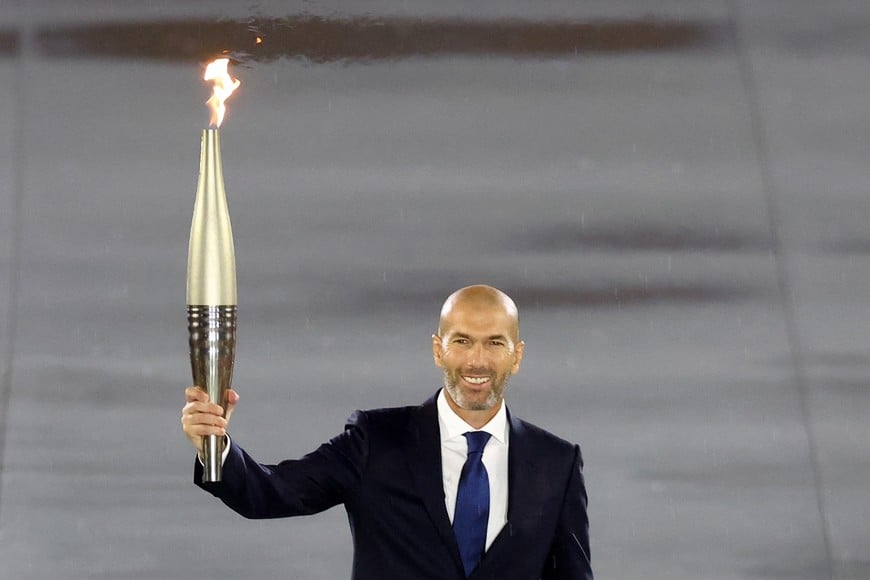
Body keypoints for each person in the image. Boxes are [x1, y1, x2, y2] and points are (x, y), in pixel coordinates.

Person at [182, 285, 592, 579]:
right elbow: (271, 493)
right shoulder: (374, 442)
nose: (477, 361)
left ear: (517, 355)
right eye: (462, 341)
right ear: (438, 350)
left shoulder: (556, 463)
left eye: (495, 343)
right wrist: (214, 446)